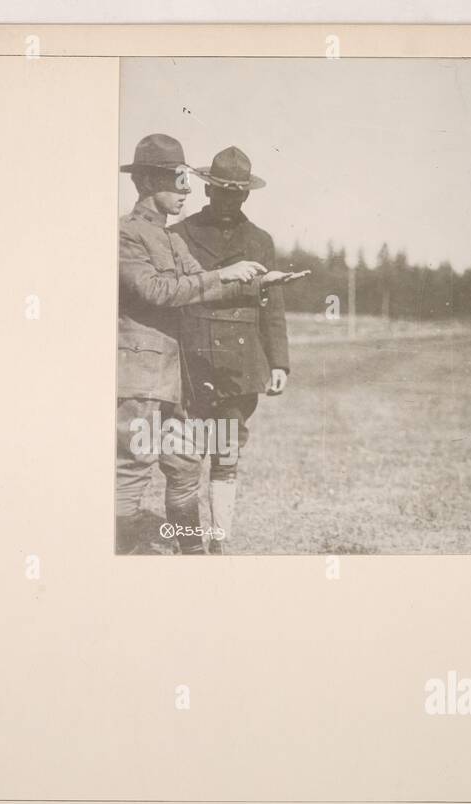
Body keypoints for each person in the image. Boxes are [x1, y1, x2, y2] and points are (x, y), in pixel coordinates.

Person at [116, 134, 268, 554]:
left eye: (185, 178)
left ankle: (194, 557)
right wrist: (224, 275)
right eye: (176, 179)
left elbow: (203, 283)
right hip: (139, 378)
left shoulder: (172, 239)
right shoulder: (126, 235)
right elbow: (158, 291)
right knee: (133, 469)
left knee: (185, 466)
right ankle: (124, 558)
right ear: (147, 183)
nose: (186, 188)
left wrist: (256, 280)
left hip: (172, 380)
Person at [169, 146, 294, 554]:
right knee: (185, 458)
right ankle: (189, 546)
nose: (229, 200)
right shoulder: (180, 235)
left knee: (226, 455)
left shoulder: (260, 241)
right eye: (222, 192)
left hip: (239, 365)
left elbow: (270, 305)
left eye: (237, 193)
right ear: (208, 190)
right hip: (192, 358)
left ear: (247, 195)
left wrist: (279, 362)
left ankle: (220, 543)